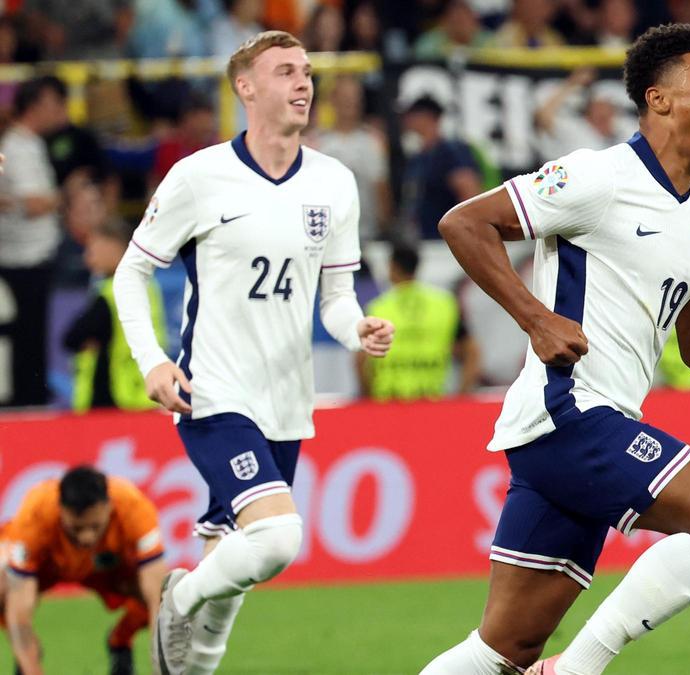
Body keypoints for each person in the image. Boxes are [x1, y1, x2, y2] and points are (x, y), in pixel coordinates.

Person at [421, 23, 690, 674]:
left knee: (504, 648)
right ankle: (579, 669)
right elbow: (465, 222)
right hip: (569, 414)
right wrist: (537, 319)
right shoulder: (596, 176)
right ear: (659, 99)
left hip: (576, 431)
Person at [112, 31, 395, 675]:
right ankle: (174, 597)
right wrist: (152, 360)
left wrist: (358, 330)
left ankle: (189, 665)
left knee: (231, 566)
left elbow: (336, 297)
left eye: (307, 71)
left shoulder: (334, 183)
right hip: (214, 393)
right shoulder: (199, 176)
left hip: (287, 401)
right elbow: (130, 272)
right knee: (276, 539)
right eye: (285, 71)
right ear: (246, 87)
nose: (304, 83)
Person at [0, 466, 167, 675]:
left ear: (109, 506)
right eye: (77, 528)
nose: (86, 537)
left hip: (108, 567)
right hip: (47, 567)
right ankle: (27, 654)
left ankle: (120, 640)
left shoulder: (133, 505)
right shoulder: (36, 511)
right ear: (61, 509)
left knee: (167, 595)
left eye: (95, 526)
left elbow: (157, 600)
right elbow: (19, 609)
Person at [0, 76, 65, 408]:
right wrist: (67, 196)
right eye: (55, 103)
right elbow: (32, 203)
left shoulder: (29, 143)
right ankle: (27, 404)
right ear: (36, 104)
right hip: (22, 260)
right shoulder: (18, 146)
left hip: (31, 257)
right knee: (27, 340)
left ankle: (30, 398)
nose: (61, 111)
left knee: (31, 339)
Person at [65, 217, 166, 412]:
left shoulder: (112, 293)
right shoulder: (149, 287)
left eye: (93, 249)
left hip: (114, 397)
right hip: (144, 394)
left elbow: (72, 338)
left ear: (114, 247)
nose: (87, 258)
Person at [359, 241, 480, 400]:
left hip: (389, 401)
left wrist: (369, 399)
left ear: (392, 267)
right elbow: (472, 352)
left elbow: (361, 361)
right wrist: (462, 396)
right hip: (432, 400)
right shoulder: (443, 304)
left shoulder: (378, 308)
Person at [313, 76, 391, 242]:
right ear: (333, 100)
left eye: (355, 98)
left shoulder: (373, 141)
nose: (351, 103)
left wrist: (386, 227)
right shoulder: (317, 143)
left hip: (368, 235)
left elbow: (381, 187)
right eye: (345, 98)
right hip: (328, 236)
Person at [399, 96, 483, 239]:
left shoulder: (450, 152)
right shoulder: (417, 159)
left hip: (446, 243)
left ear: (427, 117)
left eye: (410, 116)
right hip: (423, 241)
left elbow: (471, 196)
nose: (405, 122)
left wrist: (467, 237)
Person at [533, 67, 631, 161]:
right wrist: (572, 83)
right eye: (598, 107)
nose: (603, 111)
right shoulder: (576, 128)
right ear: (588, 112)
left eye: (608, 106)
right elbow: (543, 118)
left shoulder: (625, 127)